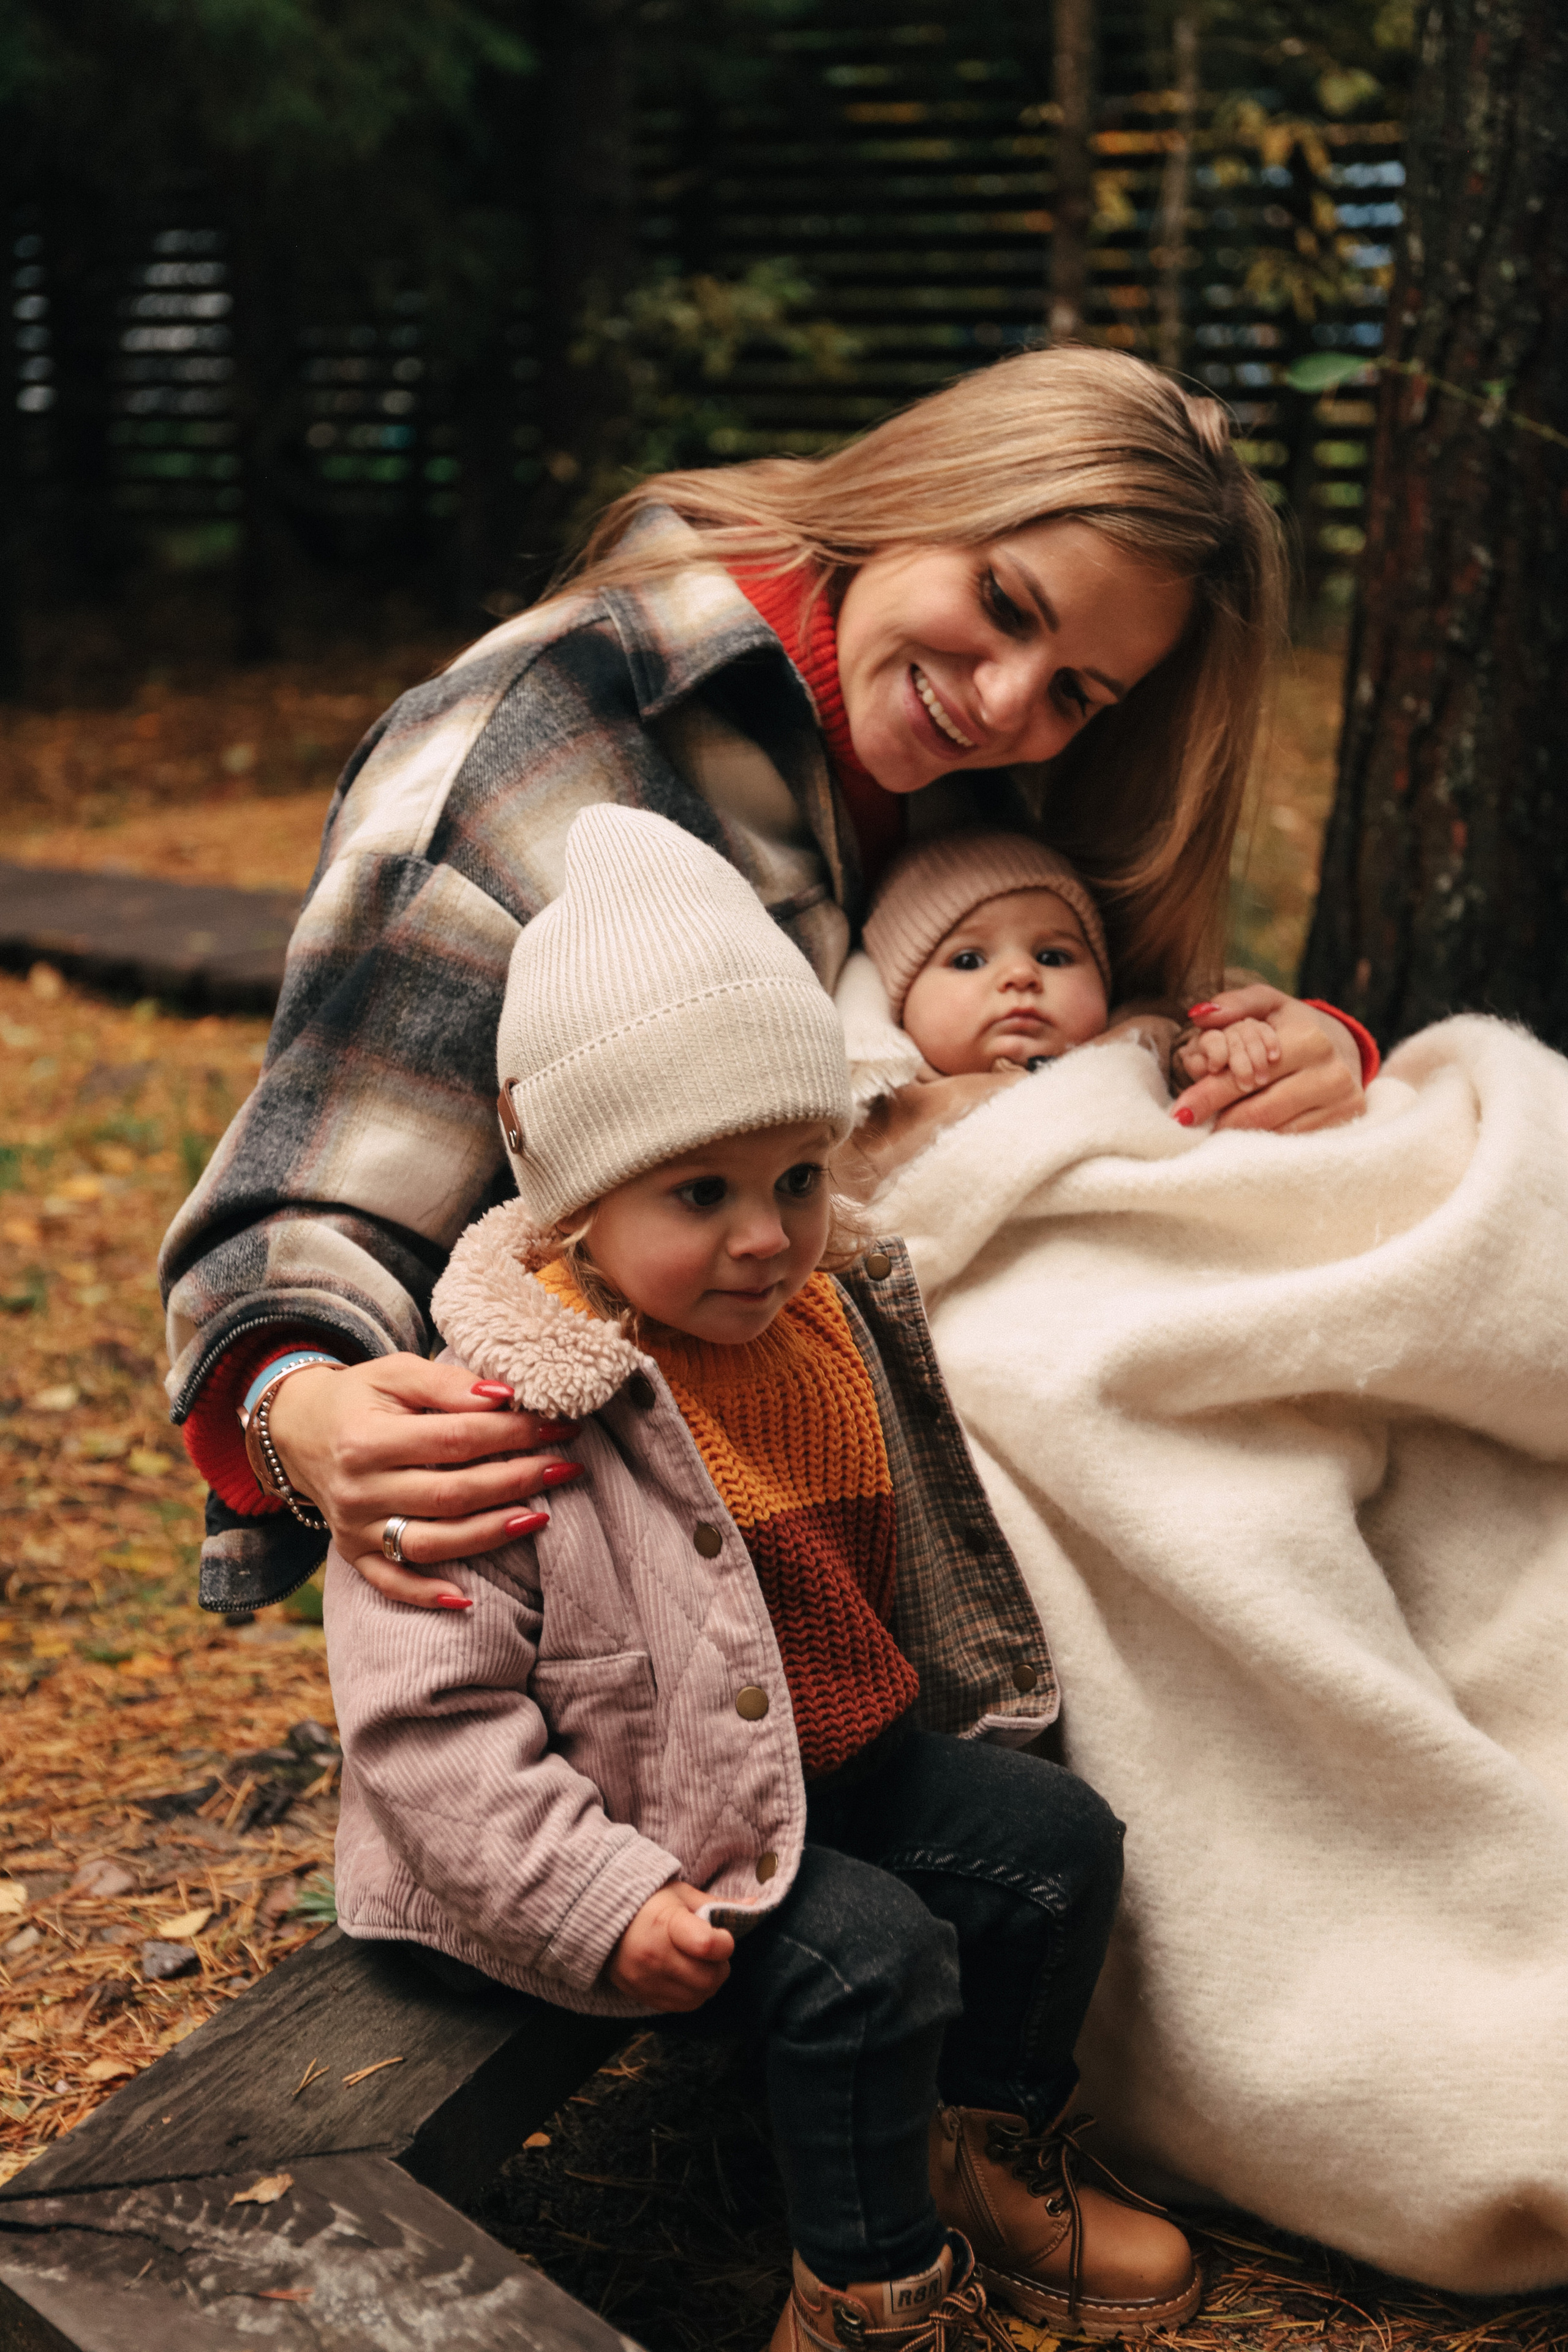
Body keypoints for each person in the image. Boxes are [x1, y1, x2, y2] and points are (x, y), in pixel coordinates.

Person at [158, 344, 1371, 1619]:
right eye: (1003, 604)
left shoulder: (967, 780)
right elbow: (318, 1191)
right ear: (921, 485)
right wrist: (297, 1406)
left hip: (899, 1492)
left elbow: (1097, 1027)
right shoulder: (542, 739)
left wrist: (1282, 1049)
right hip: (631, 1570)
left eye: (1076, 692)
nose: (1007, 702)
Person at [326, 802, 1204, 2348]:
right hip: (606, 1836)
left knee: (1051, 1844)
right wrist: (600, 1897)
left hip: (813, 1767)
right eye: (699, 1194)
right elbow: (426, 1733)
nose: (765, 1237)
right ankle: (861, 2292)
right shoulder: (491, 1409)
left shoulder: (826, 1326)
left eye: (796, 1176)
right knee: (865, 1961)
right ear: (572, 1186)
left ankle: (969, 2145)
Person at [837, 831, 1311, 1117]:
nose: (1021, 974)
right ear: (898, 1006)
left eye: (1053, 957)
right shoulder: (884, 1111)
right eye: (969, 961)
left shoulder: (1149, 1047)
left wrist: (1226, 1053)